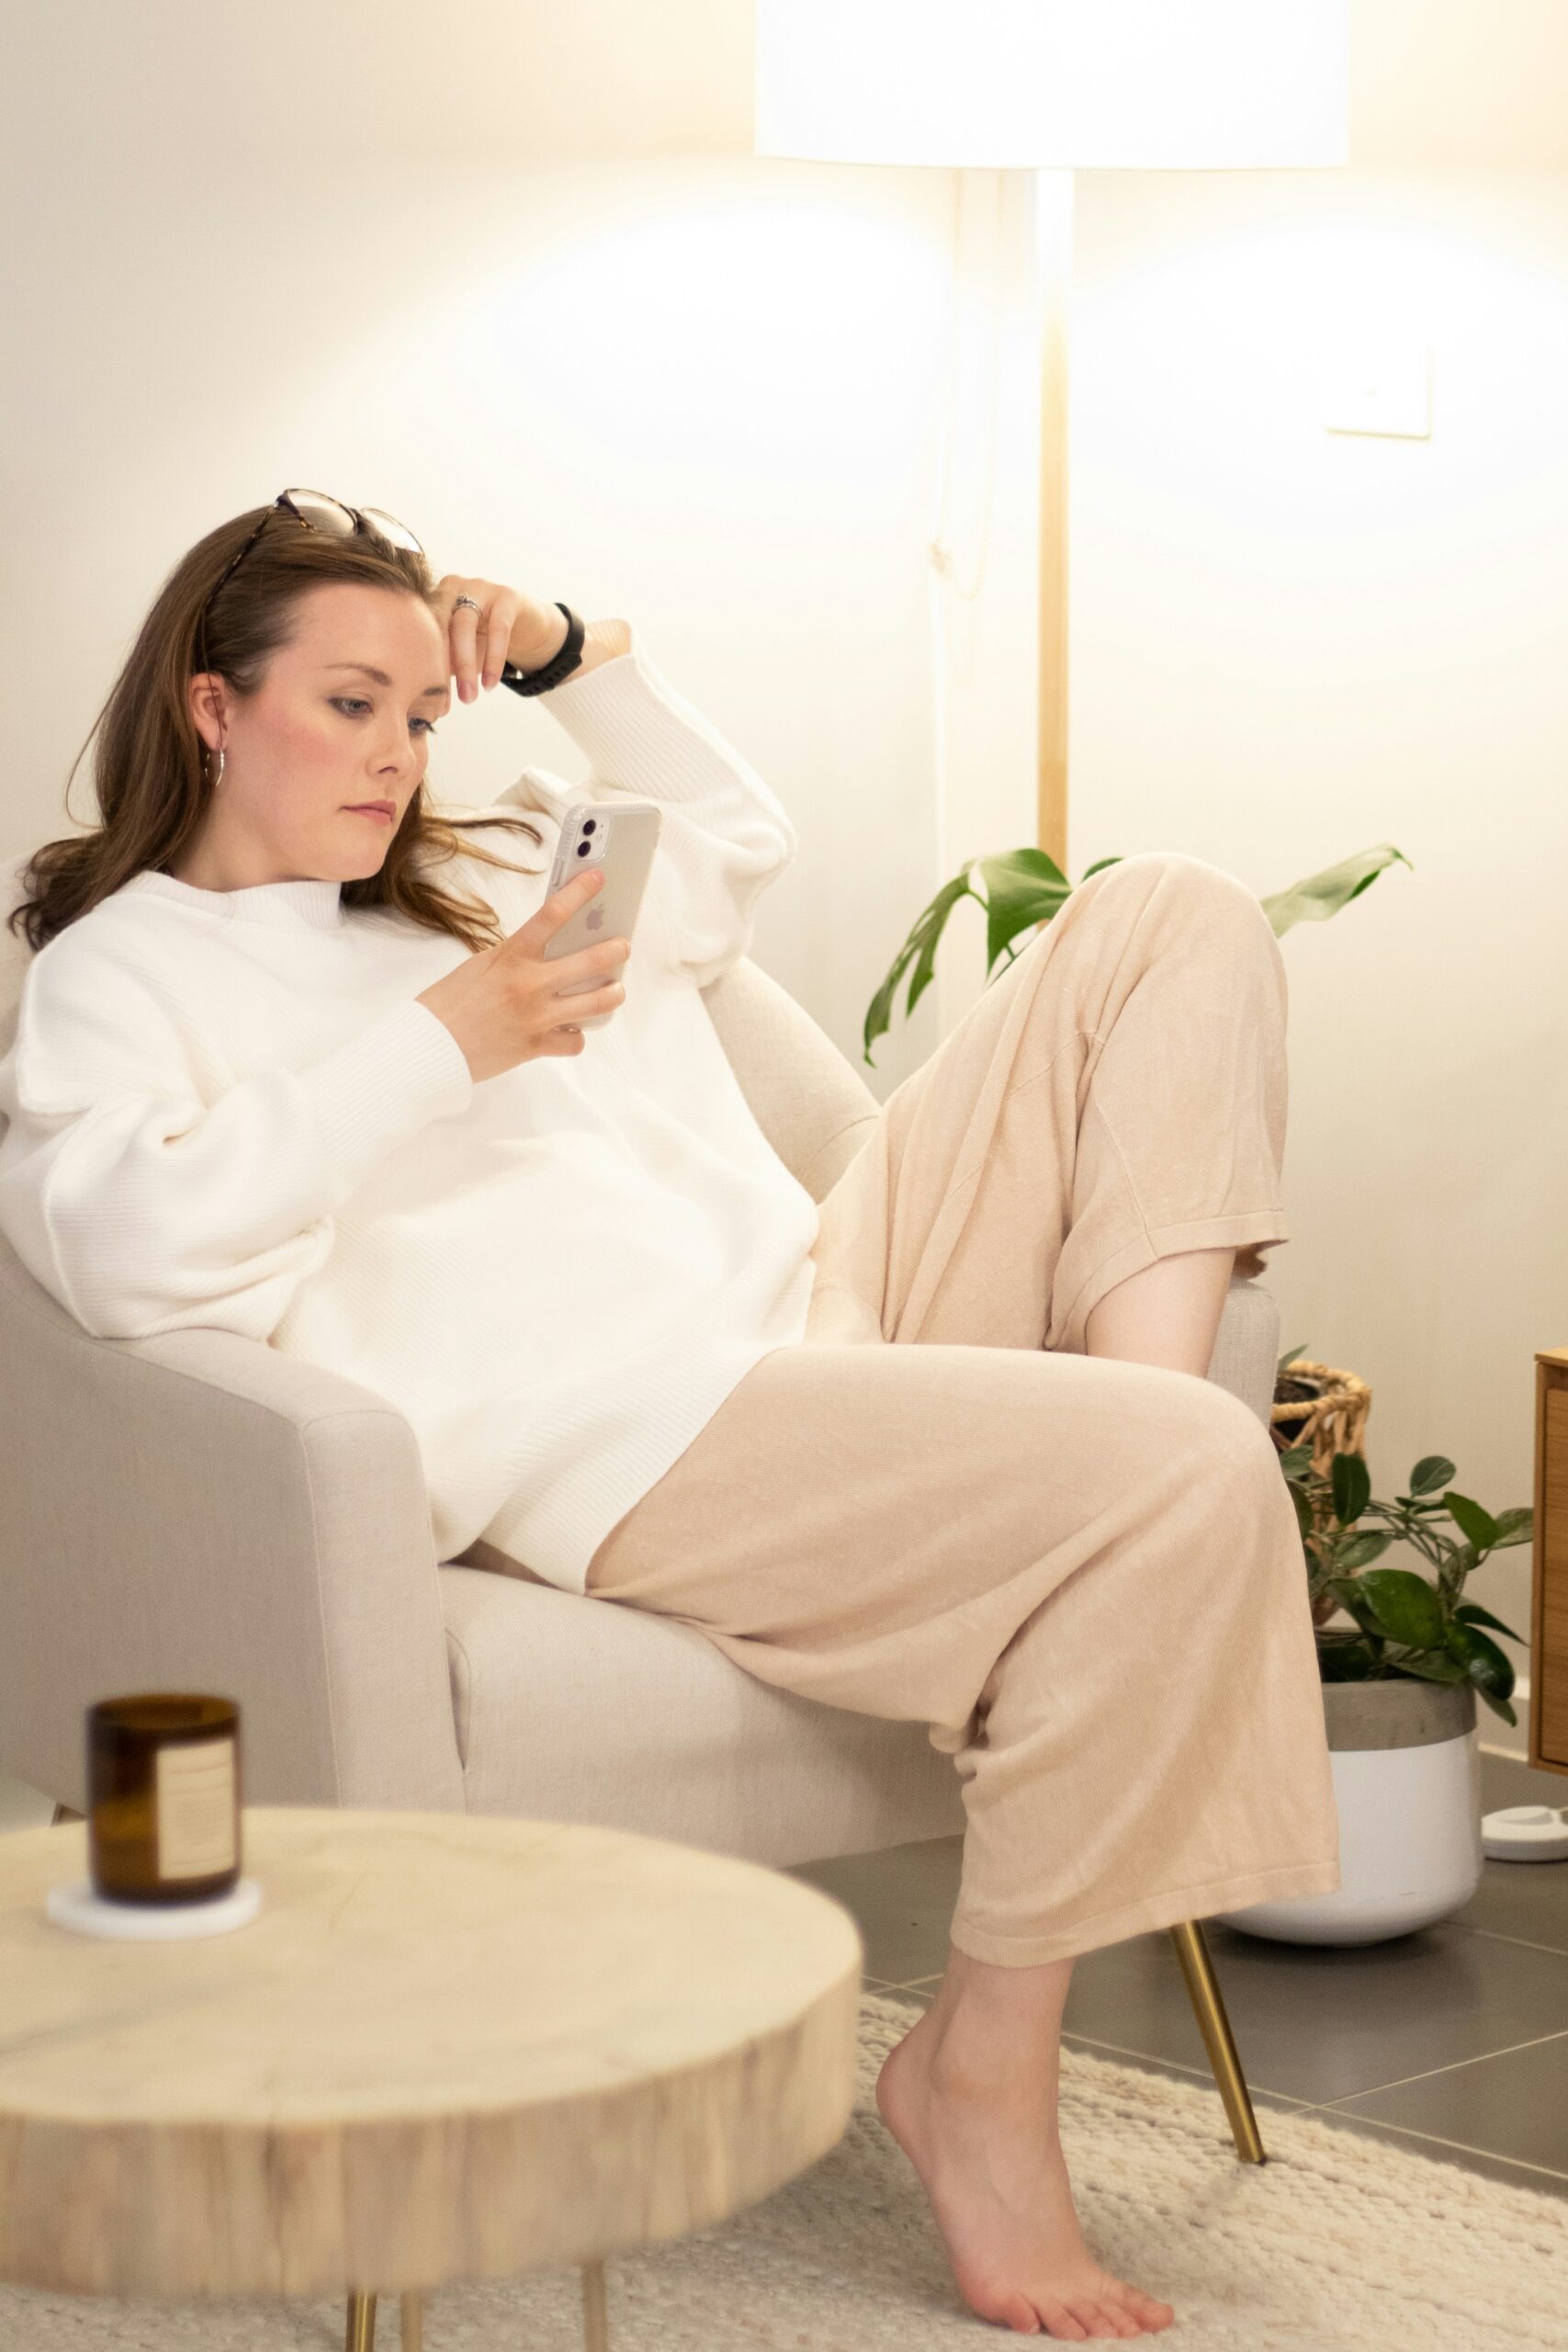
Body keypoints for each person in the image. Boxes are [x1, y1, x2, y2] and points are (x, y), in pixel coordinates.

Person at [0, 492, 1341, 2341]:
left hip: (827, 1302)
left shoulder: (477, 867)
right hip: (641, 1422)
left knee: (1168, 909)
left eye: (417, 709)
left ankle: (1086, 1522)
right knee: (1190, 1450)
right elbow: (122, 1253)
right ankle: (981, 2057)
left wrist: (561, 650)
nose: (394, 754)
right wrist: (440, 1040)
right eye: (345, 703)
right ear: (213, 708)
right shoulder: (120, 971)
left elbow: (733, 836)